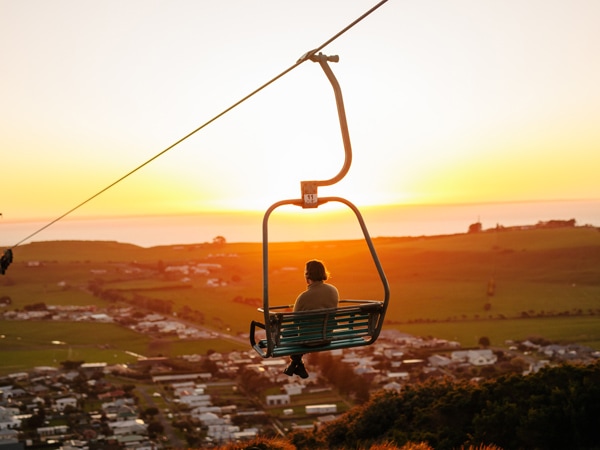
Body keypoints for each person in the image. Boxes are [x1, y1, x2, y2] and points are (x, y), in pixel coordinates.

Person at [283, 259, 339, 378]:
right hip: (327, 337)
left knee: (287, 332)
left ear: (307, 275)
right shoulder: (333, 290)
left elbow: (295, 321)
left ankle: (297, 363)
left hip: (310, 341)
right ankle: (297, 365)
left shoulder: (303, 297)